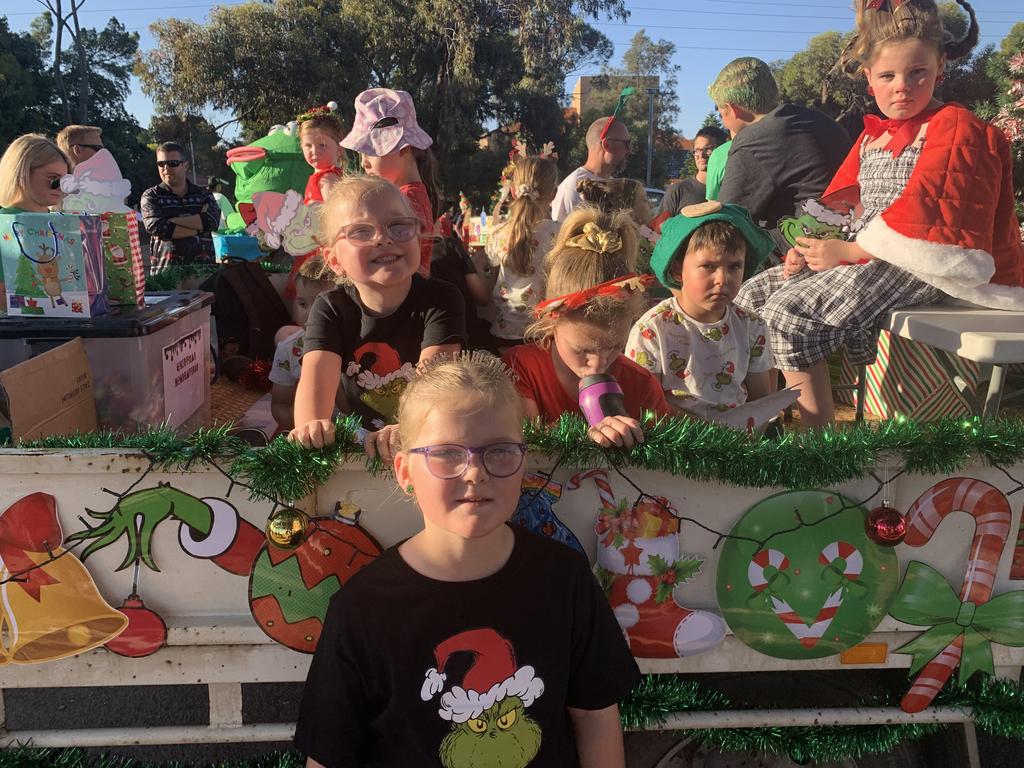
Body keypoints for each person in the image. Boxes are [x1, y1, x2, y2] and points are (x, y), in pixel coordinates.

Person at [294, 352, 640, 768]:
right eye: (447, 454)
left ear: (522, 462)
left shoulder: (563, 578)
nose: (475, 472)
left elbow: (595, 716)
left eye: (498, 451)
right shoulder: (363, 607)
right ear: (405, 473)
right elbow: (329, 753)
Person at [735, 0, 1024, 427]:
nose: (901, 86)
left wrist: (851, 251)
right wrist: (808, 247)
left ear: (940, 67)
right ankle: (761, 417)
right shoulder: (872, 136)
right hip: (862, 251)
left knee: (789, 313)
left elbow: (934, 215)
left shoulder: (957, 127)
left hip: (918, 263)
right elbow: (837, 203)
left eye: (917, 73)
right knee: (749, 301)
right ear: (869, 78)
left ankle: (820, 443)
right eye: (887, 76)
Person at [288, 176, 465, 456]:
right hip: (362, 436)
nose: (383, 237)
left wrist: (407, 427)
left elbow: (434, 383)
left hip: (432, 430)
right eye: (361, 231)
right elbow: (316, 382)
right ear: (334, 260)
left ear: (418, 236)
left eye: (398, 226)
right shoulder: (330, 308)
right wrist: (312, 427)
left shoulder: (441, 298)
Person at [502, 208, 672, 449]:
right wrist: (588, 439)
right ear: (552, 321)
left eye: (614, 347)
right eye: (582, 351)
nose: (599, 364)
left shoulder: (642, 386)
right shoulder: (522, 369)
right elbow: (523, 447)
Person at [626, 202, 777, 420]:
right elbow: (645, 403)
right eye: (709, 266)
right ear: (678, 269)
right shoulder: (652, 329)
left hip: (737, 443)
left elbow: (760, 400)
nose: (722, 280)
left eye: (734, 266)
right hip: (675, 442)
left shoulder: (752, 326)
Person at [711, 57, 852, 255]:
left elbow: (728, 221)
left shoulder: (753, 141)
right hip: (848, 243)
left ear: (733, 109)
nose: (723, 123)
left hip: (798, 258)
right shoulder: (820, 121)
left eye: (721, 113)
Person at [342, 88, 439, 276]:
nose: (364, 162)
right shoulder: (413, 194)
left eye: (371, 151)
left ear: (403, 148)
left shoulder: (405, 199)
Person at [484, 156, 560, 345]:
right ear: (553, 194)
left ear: (513, 191)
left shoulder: (497, 234)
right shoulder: (560, 235)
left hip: (502, 333)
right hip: (543, 336)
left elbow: (489, 285)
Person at [0, 134, 71, 308]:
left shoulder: (63, 223)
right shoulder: (4, 224)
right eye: (53, 178)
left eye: (65, 180)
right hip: (15, 331)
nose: (60, 187)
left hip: (65, 325)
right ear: (22, 172)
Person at [270, 258, 338, 431]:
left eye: (321, 304)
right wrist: (302, 428)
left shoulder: (356, 344)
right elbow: (280, 404)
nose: (309, 313)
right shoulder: (288, 349)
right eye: (302, 303)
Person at [140, 142, 220, 270]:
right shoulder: (151, 196)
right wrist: (199, 227)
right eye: (161, 164)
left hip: (204, 274)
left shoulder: (204, 194)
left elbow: (212, 222)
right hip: (166, 278)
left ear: (185, 165)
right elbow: (157, 227)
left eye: (173, 163)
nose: (166, 168)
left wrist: (171, 221)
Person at [550, 116, 630, 223]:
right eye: (626, 144)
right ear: (606, 144)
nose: (628, 151)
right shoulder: (573, 187)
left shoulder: (613, 184)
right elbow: (561, 236)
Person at [660, 126, 729, 215]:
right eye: (697, 150)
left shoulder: (730, 190)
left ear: (721, 151)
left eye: (707, 150)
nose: (701, 155)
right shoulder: (678, 191)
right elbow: (660, 226)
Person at [298, 101, 345, 205]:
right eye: (308, 146)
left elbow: (332, 211)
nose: (314, 151)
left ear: (339, 148)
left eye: (322, 145)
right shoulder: (324, 176)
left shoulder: (327, 178)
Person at [704, 136, 732, 202]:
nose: (702, 155)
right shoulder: (718, 154)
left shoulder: (718, 154)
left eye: (708, 149)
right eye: (696, 151)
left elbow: (713, 203)